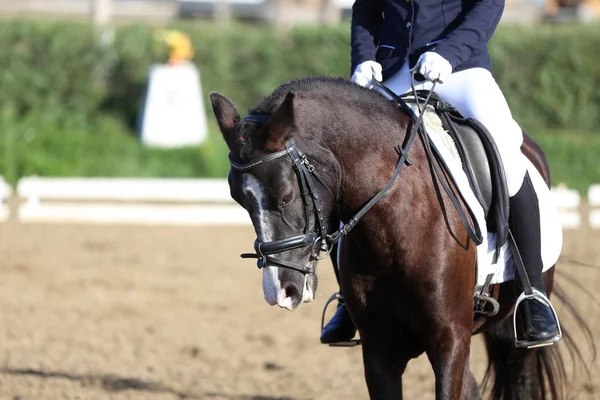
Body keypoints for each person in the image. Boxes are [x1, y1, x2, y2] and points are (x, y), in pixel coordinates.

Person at [320, 0, 561, 347]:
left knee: (507, 150)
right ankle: (348, 296)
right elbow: (366, 7)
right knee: (348, 161)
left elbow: (489, 4)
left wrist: (449, 51)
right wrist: (363, 58)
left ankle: (533, 293)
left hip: (460, 69)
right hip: (394, 71)